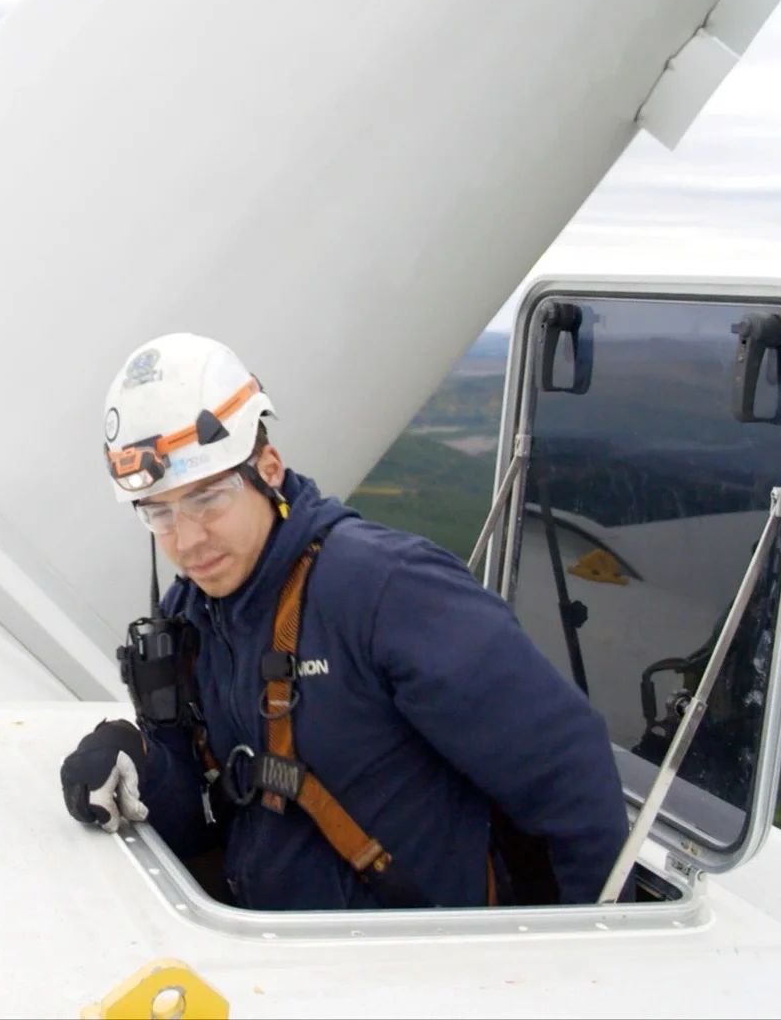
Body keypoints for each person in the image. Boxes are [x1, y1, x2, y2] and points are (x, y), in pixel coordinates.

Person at [59, 332, 631, 911]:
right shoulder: (193, 616)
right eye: (159, 513)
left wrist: (598, 958)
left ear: (269, 469)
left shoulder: (385, 588)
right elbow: (200, 823)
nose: (187, 540)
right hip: (275, 955)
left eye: (209, 498)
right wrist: (140, 767)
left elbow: (569, 772)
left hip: (417, 966)